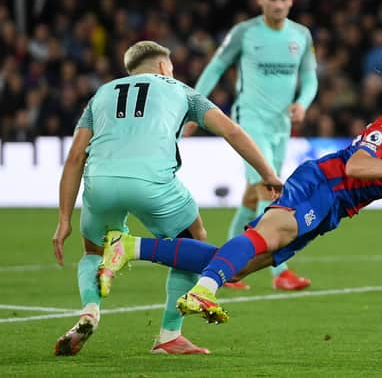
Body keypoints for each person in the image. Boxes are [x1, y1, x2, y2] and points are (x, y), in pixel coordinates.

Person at [99, 28, 382, 325]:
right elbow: (357, 165)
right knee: (264, 239)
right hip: (323, 184)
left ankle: (130, 247)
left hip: (339, 208)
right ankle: (203, 290)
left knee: (236, 263)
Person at [51, 40, 282, 354]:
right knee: (193, 240)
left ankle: (90, 310)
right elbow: (232, 131)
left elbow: (76, 156)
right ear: (163, 67)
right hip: (152, 183)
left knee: (93, 248)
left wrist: (64, 219)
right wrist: (267, 174)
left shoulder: (102, 94)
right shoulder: (181, 90)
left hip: (99, 182)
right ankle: (169, 334)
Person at [192, 0, 318, 291]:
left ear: (292, 1)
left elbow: (311, 77)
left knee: (252, 197)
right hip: (249, 122)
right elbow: (216, 67)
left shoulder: (301, 35)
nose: (277, 4)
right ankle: (281, 272)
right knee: (269, 188)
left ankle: (225, 265)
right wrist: (193, 104)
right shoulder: (244, 32)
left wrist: (302, 103)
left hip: (281, 126)